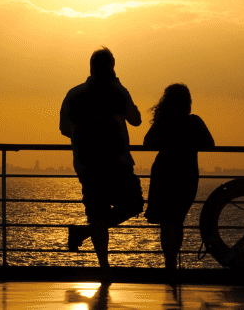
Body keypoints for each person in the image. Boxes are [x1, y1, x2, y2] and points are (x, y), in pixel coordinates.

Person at [60, 47, 144, 270]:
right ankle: (84, 234)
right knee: (133, 204)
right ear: (112, 67)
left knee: (97, 214)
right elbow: (136, 120)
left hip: (87, 165)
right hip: (117, 163)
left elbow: (64, 129)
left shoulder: (74, 94)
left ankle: (103, 267)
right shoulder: (117, 91)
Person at [143, 83, 214, 271]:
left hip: (164, 174)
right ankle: (172, 262)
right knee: (177, 220)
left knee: (167, 222)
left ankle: (170, 262)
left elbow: (147, 143)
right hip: (186, 175)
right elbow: (210, 144)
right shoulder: (194, 122)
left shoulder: (163, 123)